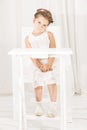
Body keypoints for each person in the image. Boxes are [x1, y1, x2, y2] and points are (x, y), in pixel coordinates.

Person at [25, 8, 57, 117]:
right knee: (37, 80)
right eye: (39, 22)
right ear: (34, 20)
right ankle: (39, 105)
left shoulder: (49, 35)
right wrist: (39, 66)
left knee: (51, 79)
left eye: (44, 25)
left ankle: (53, 105)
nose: (41, 27)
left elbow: (53, 51)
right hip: (36, 63)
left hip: (49, 61)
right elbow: (32, 56)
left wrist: (48, 64)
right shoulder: (28, 38)